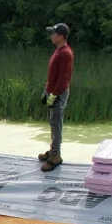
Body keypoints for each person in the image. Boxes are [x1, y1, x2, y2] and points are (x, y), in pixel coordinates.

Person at [41, 22, 74, 167]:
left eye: (53, 34)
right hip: (52, 91)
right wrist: (46, 89)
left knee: (57, 124)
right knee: (53, 123)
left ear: (61, 36)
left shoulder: (66, 53)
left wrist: (53, 95)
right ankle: (52, 149)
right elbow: (53, 74)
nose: (51, 36)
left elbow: (63, 79)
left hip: (58, 94)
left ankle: (55, 156)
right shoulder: (58, 50)